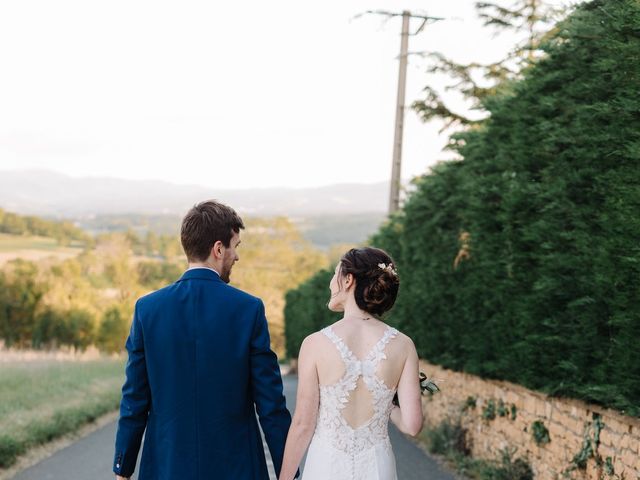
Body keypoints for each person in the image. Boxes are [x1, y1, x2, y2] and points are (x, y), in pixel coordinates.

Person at [113, 200, 294, 480]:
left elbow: (134, 399)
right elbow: (270, 404)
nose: (237, 256)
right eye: (235, 246)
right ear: (218, 249)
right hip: (237, 468)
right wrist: (289, 471)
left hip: (166, 467)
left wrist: (122, 469)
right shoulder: (249, 309)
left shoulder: (147, 309)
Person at [278, 247, 424, 480]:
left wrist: (284, 478)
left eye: (334, 274)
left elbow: (303, 424)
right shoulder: (403, 345)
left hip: (326, 465)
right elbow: (412, 425)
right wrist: (388, 402)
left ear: (348, 280)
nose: (330, 284)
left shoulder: (315, 344)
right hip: (378, 468)